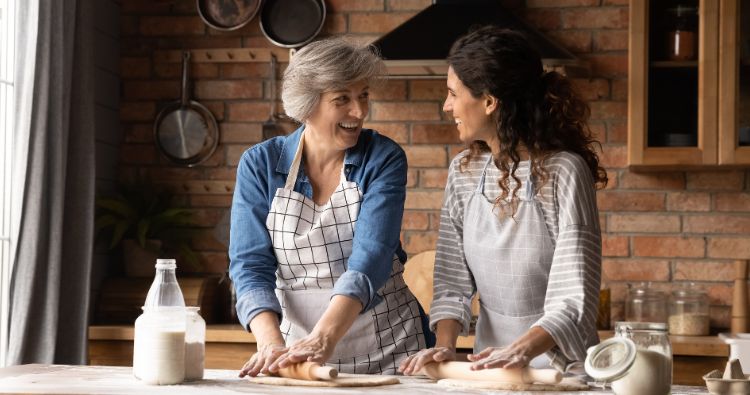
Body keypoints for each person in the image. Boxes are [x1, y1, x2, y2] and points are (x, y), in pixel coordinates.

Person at [399, 26, 608, 375]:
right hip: (491, 370)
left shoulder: (563, 172)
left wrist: (521, 350)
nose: (447, 105)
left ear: (490, 101)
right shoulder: (464, 173)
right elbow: (451, 282)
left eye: (453, 93)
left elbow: (574, 298)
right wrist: (444, 348)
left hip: (560, 373)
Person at [229, 35, 429, 377]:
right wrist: (270, 344)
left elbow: (371, 259)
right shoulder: (260, 165)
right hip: (299, 353)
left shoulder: (382, 158)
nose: (360, 111)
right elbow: (250, 265)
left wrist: (325, 336)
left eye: (363, 95)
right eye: (343, 99)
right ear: (308, 105)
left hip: (392, 347)